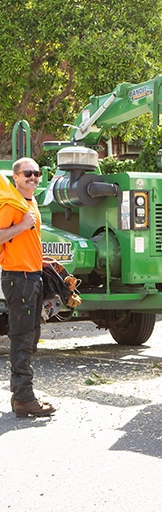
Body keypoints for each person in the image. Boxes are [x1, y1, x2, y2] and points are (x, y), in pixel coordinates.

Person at [0, 157, 55, 418]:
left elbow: (25, 241)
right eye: (27, 174)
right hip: (18, 278)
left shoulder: (30, 203)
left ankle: (25, 393)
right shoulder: (13, 206)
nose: (33, 177)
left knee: (31, 336)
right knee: (22, 339)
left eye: (37, 173)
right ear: (16, 178)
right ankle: (22, 399)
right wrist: (22, 225)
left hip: (31, 277)